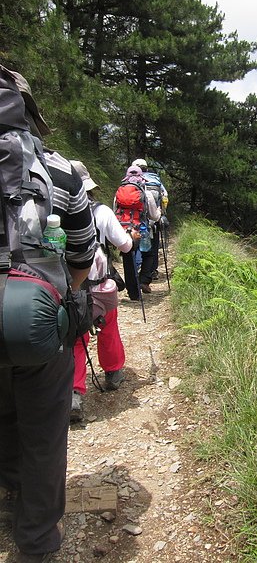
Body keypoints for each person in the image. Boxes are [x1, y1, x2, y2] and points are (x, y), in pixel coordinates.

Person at [0, 68, 96, 562]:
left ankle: (9, 489)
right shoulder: (57, 169)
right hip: (37, 324)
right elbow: (82, 252)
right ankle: (35, 544)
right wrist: (56, 304)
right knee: (42, 431)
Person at [70, 160, 139, 422]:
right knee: (108, 326)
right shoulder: (100, 211)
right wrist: (131, 239)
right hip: (99, 284)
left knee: (76, 337)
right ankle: (112, 372)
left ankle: (75, 392)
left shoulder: (53, 210)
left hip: (69, 285)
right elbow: (124, 246)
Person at [118, 164, 161, 299]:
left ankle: (133, 293)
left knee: (128, 259)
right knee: (148, 255)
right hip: (141, 230)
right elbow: (154, 216)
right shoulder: (145, 193)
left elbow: (115, 210)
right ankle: (143, 280)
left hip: (124, 230)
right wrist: (159, 214)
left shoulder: (119, 192)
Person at [133, 158, 169, 281]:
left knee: (137, 246)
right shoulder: (155, 180)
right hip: (153, 219)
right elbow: (165, 196)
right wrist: (161, 213)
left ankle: (137, 270)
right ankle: (151, 270)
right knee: (152, 245)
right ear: (146, 168)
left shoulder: (131, 181)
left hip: (134, 221)